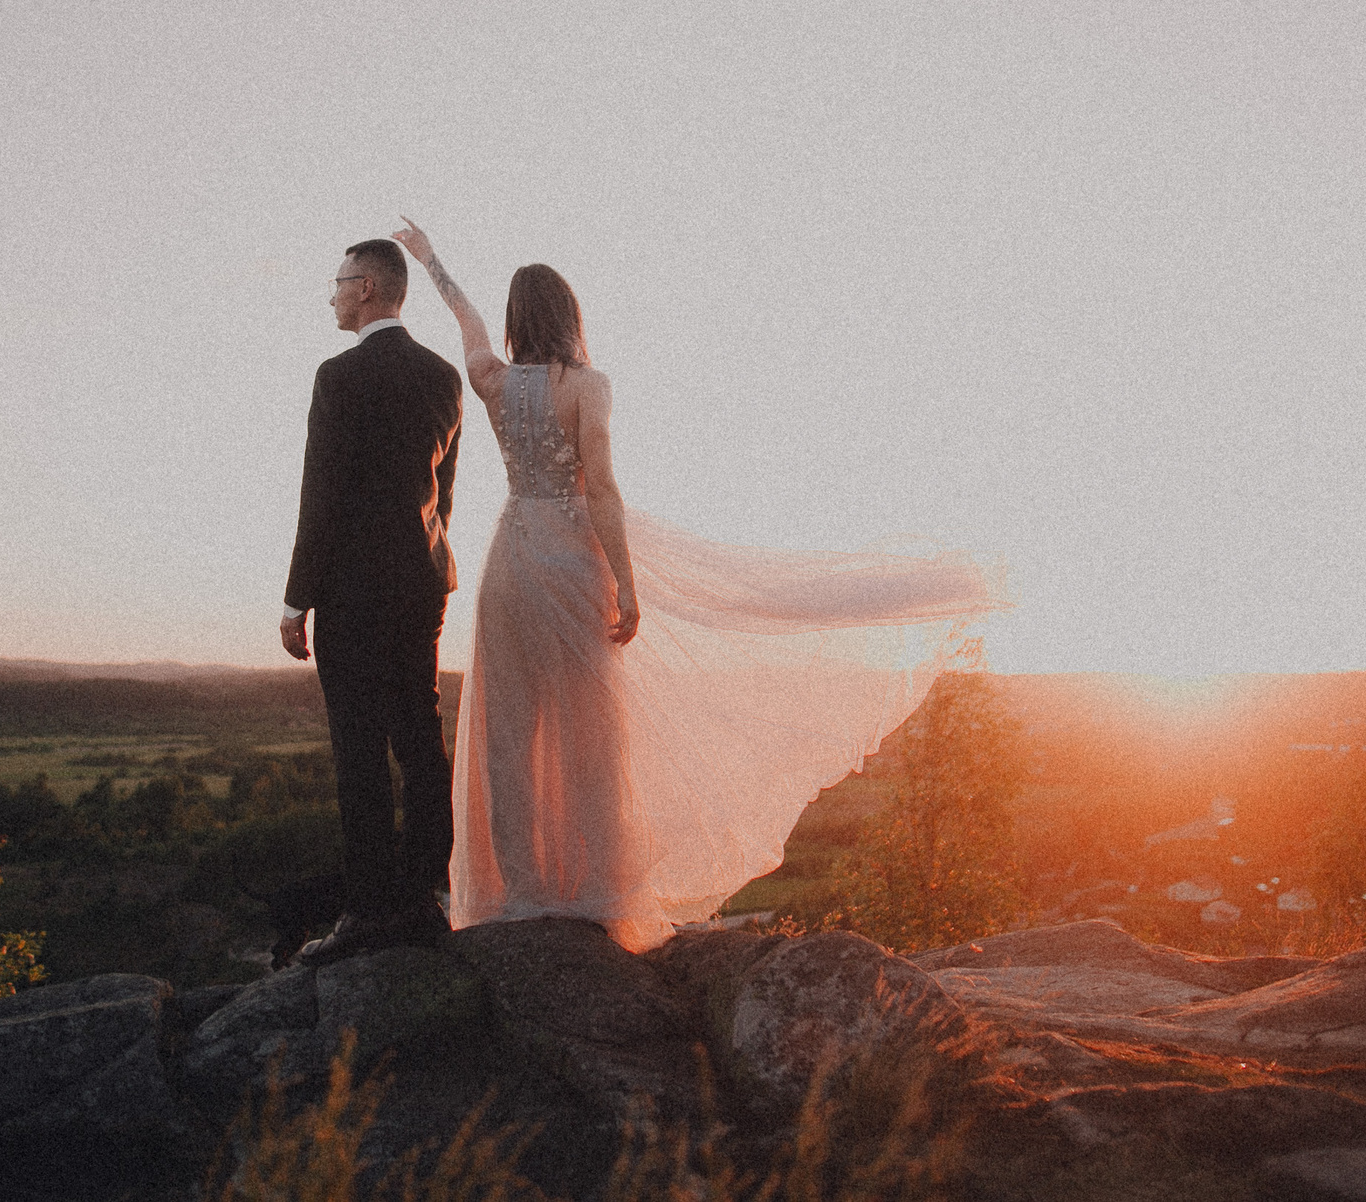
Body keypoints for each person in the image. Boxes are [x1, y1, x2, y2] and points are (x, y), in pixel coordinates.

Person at [393, 217, 1006, 950]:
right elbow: (602, 491)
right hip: (572, 565)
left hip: (510, 565)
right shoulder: (588, 387)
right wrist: (626, 585)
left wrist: (431, 260)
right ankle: (595, 892)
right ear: (569, 316)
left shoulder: (492, 382)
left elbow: (464, 318)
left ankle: (521, 894)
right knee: (593, 737)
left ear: (516, 320)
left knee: (510, 738)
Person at [280, 237, 464, 964]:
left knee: (358, 750)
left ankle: (367, 912)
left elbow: (320, 494)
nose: (330, 294)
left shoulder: (339, 377)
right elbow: (444, 495)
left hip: (353, 591)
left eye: (337, 281)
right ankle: (421, 900)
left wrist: (297, 599)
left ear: (366, 288)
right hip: (424, 582)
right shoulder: (442, 376)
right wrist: (427, 558)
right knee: (420, 738)